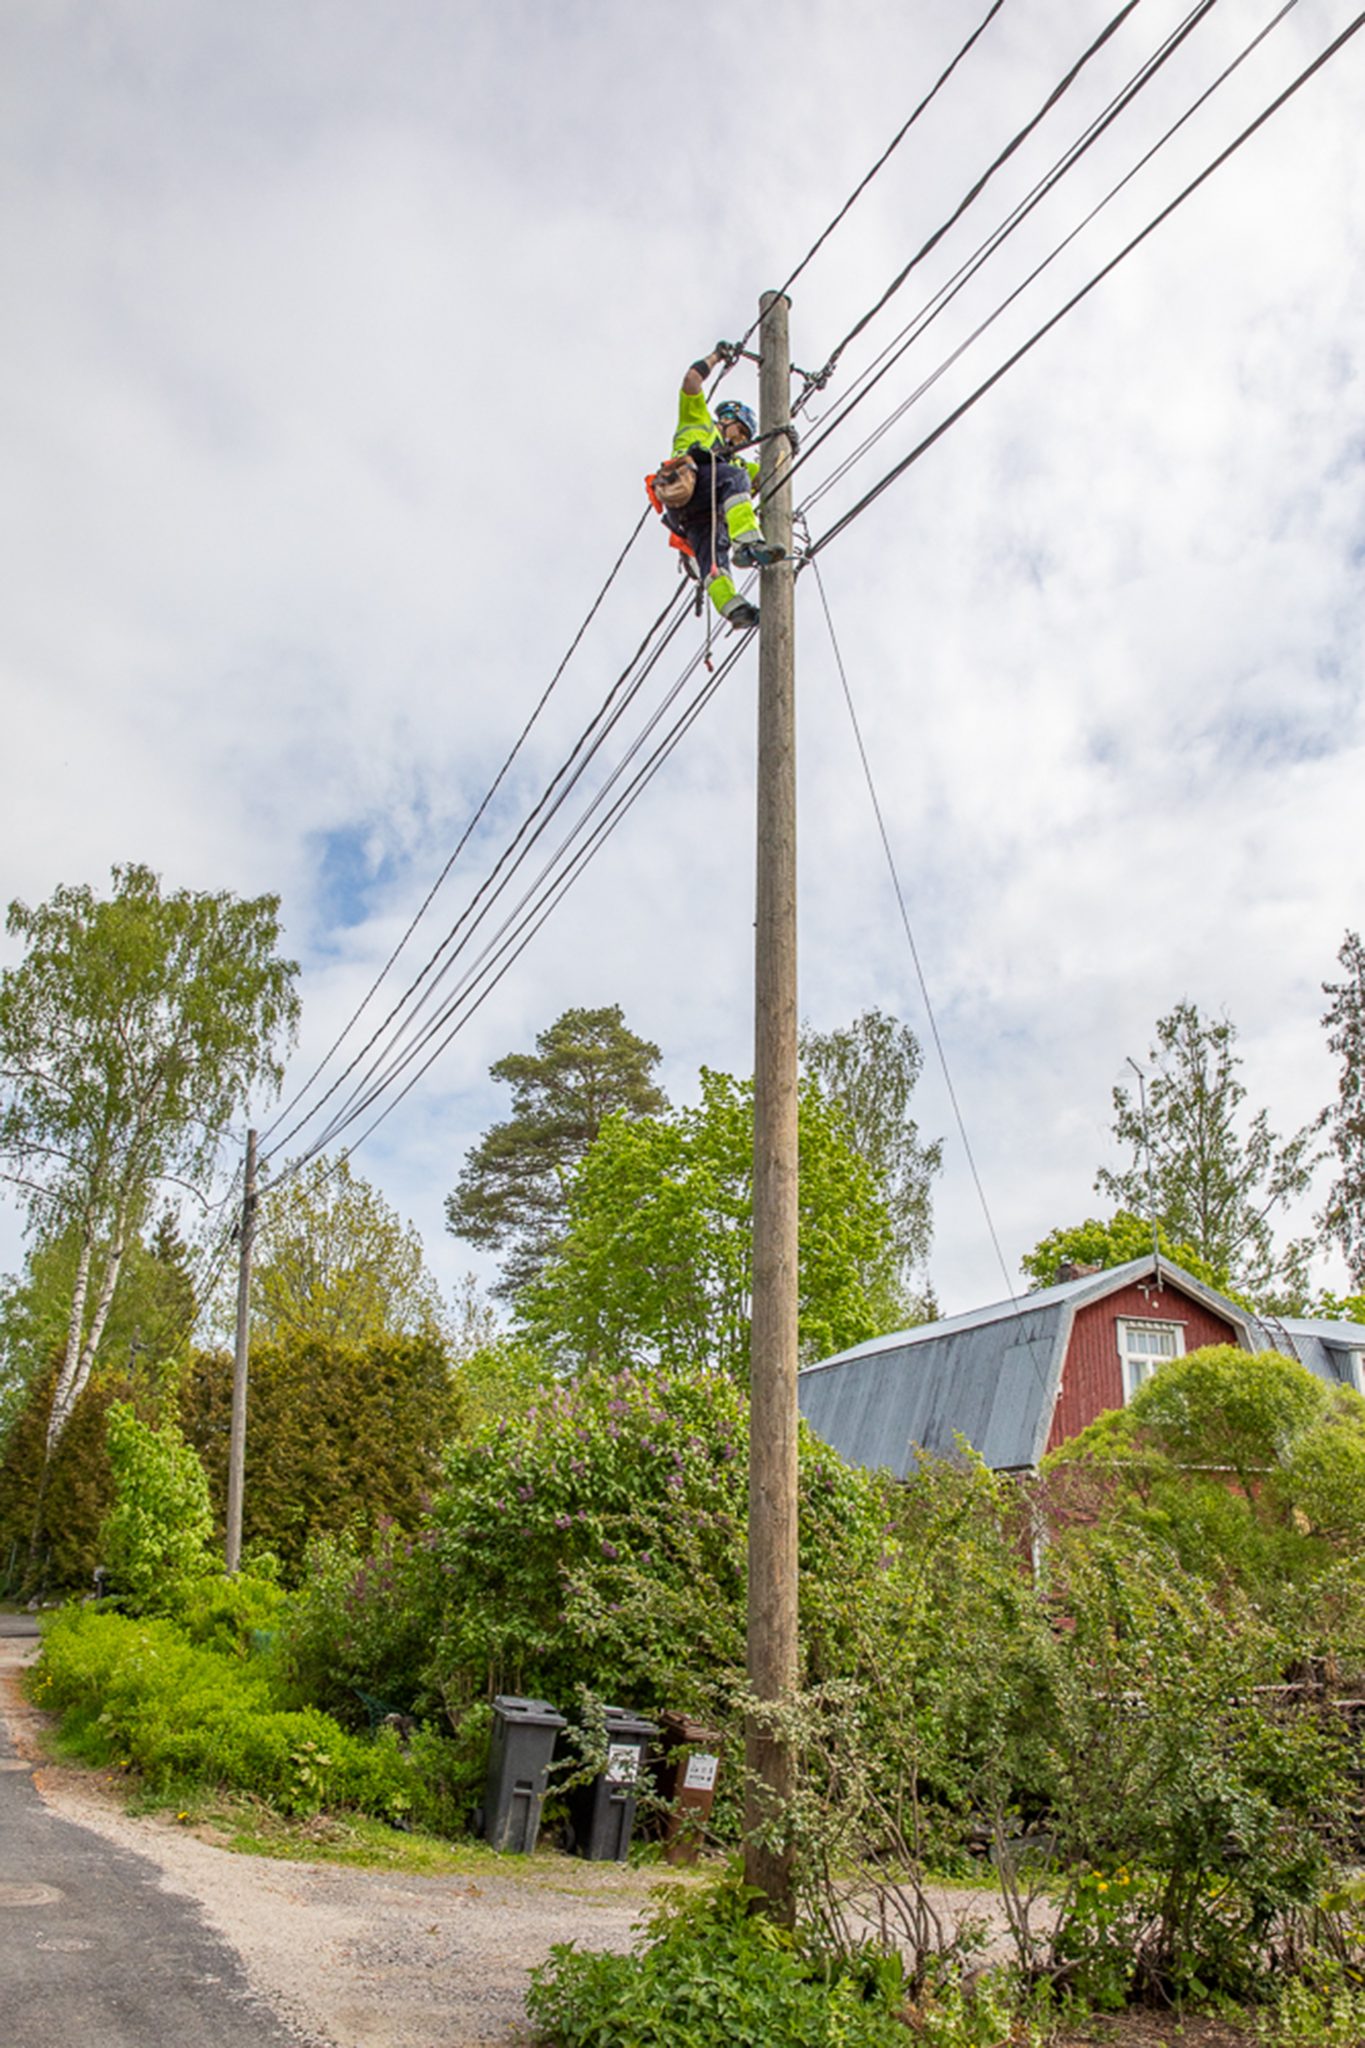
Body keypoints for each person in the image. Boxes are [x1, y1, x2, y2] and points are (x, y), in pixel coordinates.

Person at [646, 344, 786, 632]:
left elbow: (767, 474)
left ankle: (733, 609)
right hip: (687, 483)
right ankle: (747, 543)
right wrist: (716, 357)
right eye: (742, 432)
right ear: (730, 421)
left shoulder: (735, 461)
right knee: (734, 479)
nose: (741, 440)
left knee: (713, 557)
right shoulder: (699, 420)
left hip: (691, 515)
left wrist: (787, 443)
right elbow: (691, 382)